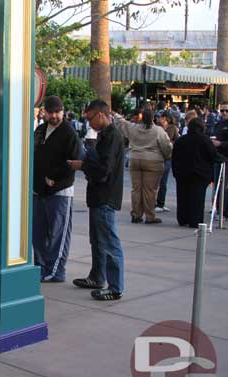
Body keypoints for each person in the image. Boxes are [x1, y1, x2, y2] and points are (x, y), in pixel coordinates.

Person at [68, 100, 125, 301]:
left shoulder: (112, 137)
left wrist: (83, 165)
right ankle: (97, 277)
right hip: (99, 196)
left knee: (109, 242)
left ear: (100, 115)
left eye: (90, 117)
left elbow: (103, 171)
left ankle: (115, 286)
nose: (89, 122)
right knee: (98, 241)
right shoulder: (105, 136)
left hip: (105, 197)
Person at [32, 96, 81, 283]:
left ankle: (55, 270)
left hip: (60, 193)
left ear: (63, 111)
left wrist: (55, 179)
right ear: (44, 112)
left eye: (57, 112)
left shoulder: (69, 133)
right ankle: (41, 267)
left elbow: (73, 162)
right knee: (38, 234)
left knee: (58, 235)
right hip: (38, 191)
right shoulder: (40, 130)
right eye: (50, 112)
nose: (54, 116)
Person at [112, 109, 171, 224]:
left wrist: (115, 114)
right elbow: (166, 146)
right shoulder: (158, 130)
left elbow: (122, 123)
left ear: (141, 118)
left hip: (135, 159)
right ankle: (150, 216)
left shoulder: (134, 128)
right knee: (150, 190)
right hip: (153, 161)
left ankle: (136, 214)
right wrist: (166, 156)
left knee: (136, 189)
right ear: (153, 117)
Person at [172, 118, 216, 227]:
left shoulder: (180, 140)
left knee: (182, 197)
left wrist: (175, 171)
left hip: (182, 173)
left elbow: (174, 156)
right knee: (197, 198)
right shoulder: (205, 140)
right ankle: (195, 220)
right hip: (200, 174)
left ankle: (183, 218)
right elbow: (212, 156)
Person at [155, 112, 179, 213]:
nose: (158, 119)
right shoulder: (157, 127)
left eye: (160, 117)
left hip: (167, 156)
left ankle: (161, 202)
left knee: (163, 181)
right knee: (156, 181)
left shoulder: (173, 128)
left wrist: (170, 143)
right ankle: (155, 202)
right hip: (158, 155)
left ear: (164, 118)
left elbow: (176, 140)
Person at [211, 101, 228, 217]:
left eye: (226, 110)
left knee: (225, 186)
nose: (224, 113)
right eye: (222, 110)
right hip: (219, 159)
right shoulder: (219, 124)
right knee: (218, 185)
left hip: (226, 157)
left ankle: (224, 210)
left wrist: (220, 144)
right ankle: (219, 209)